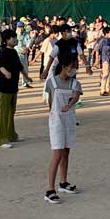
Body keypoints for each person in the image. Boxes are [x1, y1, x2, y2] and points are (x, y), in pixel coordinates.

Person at [43, 56, 82, 204]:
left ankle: (63, 182)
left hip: (69, 120)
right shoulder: (51, 82)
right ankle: (49, 189)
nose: (74, 69)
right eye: (72, 66)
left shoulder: (75, 83)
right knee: (57, 154)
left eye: (75, 66)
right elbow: (50, 102)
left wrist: (69, 105)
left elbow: (76, 97)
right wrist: (54, 114)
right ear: (64, 67)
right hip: (57, 122)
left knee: (66, 152)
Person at [0, 29, 29, 149]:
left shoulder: (14, 52)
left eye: (15, 37)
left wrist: (27, 77)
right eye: (12, 37)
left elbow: (19, 66)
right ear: (6, 40)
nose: (15, 39)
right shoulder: (4, 52)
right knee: (3, 113)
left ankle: (11, 135)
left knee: (11, 112)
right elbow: (0, 66)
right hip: (4, 87)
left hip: (13, 86)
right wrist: (6, 73)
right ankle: (1, 139)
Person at [94, 26, 110, 96]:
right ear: (106, 33)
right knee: (105, 74)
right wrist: (97, 59)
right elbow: (97, 50)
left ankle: (108, 89)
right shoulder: (102, 40)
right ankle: (102, 90)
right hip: (105, 60)